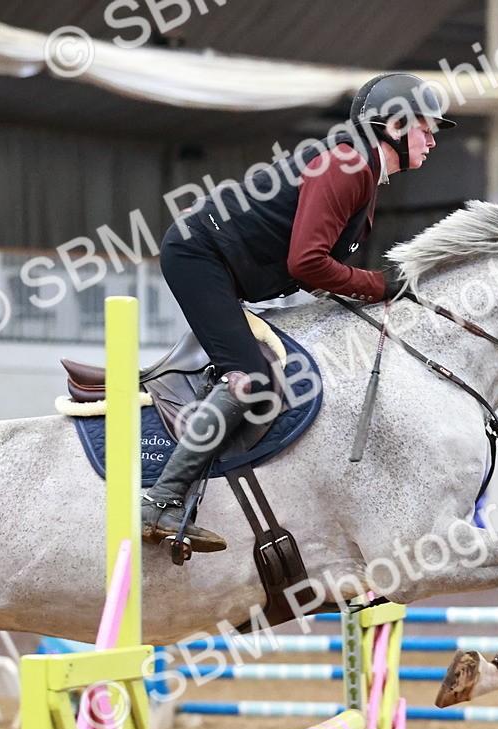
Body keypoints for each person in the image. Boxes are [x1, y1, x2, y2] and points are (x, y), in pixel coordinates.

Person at [140, 73, 454, 553]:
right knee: (251, 379)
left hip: (227, 266)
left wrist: (368, 290)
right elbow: (307, 263)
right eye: (426, 129)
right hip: (200, 257)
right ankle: (159, 501)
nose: (433, 139)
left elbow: (312, 269)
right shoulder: (348, 166)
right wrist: (378, 286)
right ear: (393, 125)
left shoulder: (362, 170)